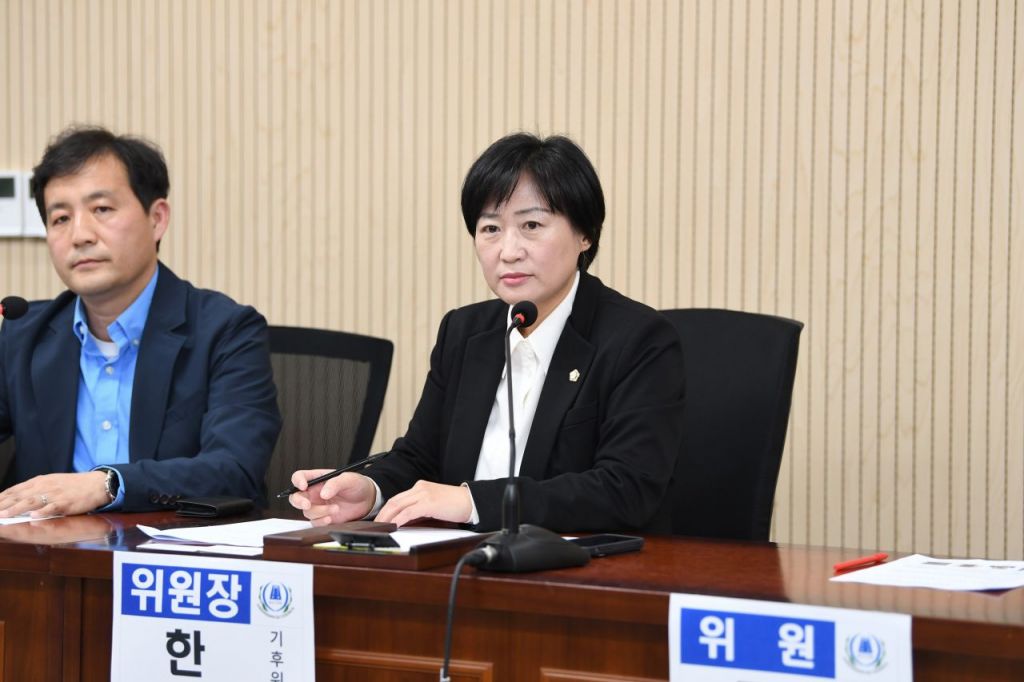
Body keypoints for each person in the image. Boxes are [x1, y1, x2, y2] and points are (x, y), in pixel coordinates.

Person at [290, 133, 684, 533]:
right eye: (491, 228)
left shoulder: (638, 340)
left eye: (532, 225)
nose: (508, 251)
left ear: (585, 234)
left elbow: (626, 489)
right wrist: (371, 490)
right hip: (459, 558)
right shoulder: (464, 332)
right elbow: (421, 458)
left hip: (574, 561)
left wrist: (474, 502)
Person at [0, 126, 281, 517]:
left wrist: (107, 484)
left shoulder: (226, 331)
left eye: (102, 209)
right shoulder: (24, 332)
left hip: (173, 549)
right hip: (47, 551)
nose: (80, 235)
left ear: (157, 219)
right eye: (60, 218)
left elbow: (235, 469)